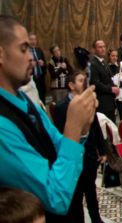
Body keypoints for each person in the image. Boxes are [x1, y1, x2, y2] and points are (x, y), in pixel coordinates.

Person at [0, 15, 98, 218]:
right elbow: (54, 197)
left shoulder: (25, 100)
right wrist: (73, 126)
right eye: (23, 49)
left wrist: (82, 128)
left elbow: (58, 144)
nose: (32, 58)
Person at [53, 72, 106, 223]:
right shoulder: (61, 107)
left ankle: (96, 219)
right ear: (71, 85)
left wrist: (102, 151)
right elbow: (59, 134)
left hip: (89, 156)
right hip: (73, 159)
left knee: (91, 192)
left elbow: (95, 128)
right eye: (81, 80)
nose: (85, 83)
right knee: (76, 198)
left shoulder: (88, 104)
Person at [89, 40, 118, 120]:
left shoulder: (104, 62)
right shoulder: (93, 64)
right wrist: (111, 89)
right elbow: (95, 84)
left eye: (104, 47)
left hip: (109, 102)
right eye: (100, 47)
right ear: (94, 49)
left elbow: (109, 79)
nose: (103, 49)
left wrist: (115, 88)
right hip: (102, 103)